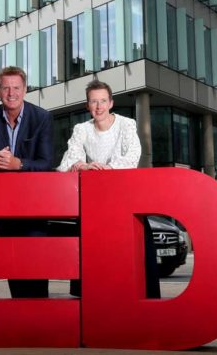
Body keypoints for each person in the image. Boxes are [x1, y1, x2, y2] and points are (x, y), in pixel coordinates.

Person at [57, 80, 160, 298]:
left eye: (103, 101)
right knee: (95, 255)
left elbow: (132, 157)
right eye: (94, 102)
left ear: (111, 103)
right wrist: (84, 165)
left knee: (138, 248)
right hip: (96, 202)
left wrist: (106, 169)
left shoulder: (126, 124)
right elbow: (66, 163)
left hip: (124, 198)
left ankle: (145, 301)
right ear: (87, 105)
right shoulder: (82, 129)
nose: (99, 106)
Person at [0, 66, 54, 298]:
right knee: (13, 267)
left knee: (34, 266)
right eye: (6, 88)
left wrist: (18, 164)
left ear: (25, 89)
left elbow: (46, 163)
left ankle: (38, 314)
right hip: (2, 207)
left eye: (16, 88)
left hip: (33, 208)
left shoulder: (42, 118)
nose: (11, 93)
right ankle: (19, 314)